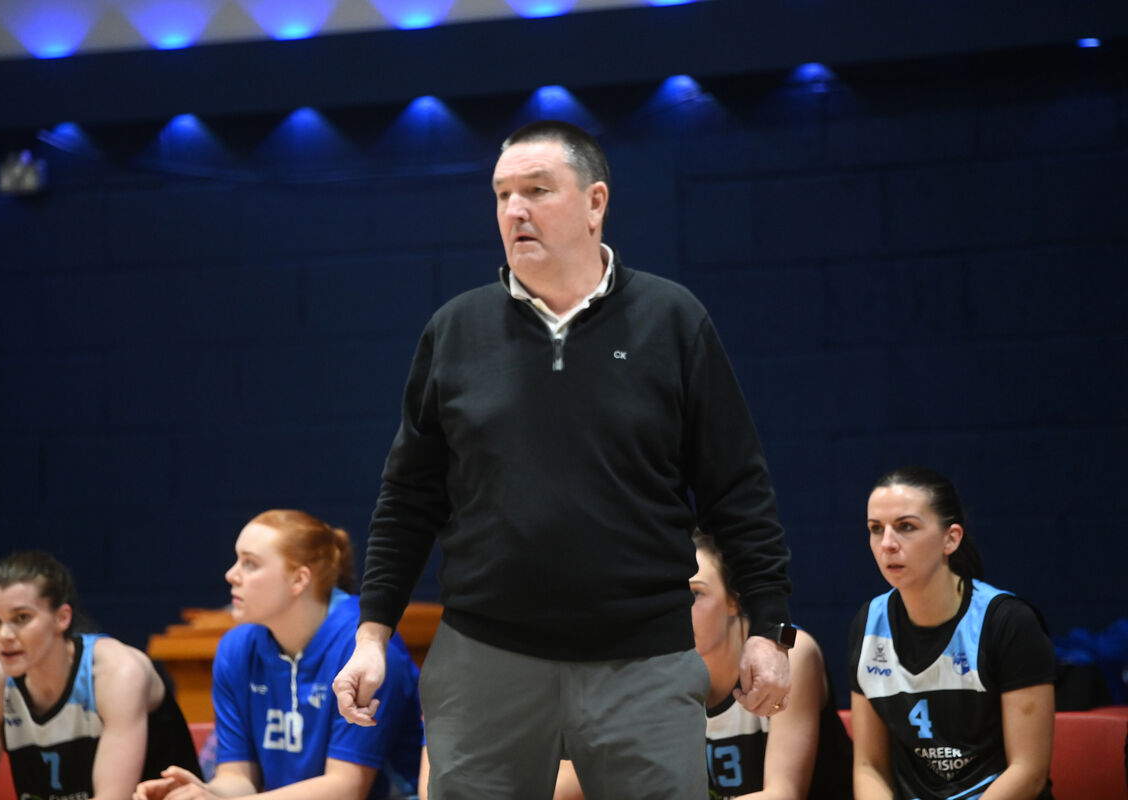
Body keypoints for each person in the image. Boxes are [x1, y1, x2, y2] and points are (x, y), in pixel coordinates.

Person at [333, 119, 794, 799]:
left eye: (537, 190)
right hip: (486, 658)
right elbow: (408, 500)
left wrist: (768, 628)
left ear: (595, 203)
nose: (514, 210)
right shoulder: (455, 330)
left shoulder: (672, 319)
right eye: (502, 195)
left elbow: (738, 490)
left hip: (644, 659)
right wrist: (373, 633)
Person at [134, 509, 421, 800]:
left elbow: (346, 789)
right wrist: (201, 792)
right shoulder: (237, 648)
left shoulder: (365, 648)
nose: (231, 575)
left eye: (250, 564)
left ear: (299, 580)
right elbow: (238, 778)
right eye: (237, 561)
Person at [551, 531, 853, 800]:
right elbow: (573, 779)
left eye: (696, 594)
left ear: (734, 600)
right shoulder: (653, 669)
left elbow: (783, 794)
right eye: (670, 595)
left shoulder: (785, 654)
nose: (680, 610)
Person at [850, 466, 1055, 800]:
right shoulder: (868, 623)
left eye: (906, 527)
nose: (887, 544)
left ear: (951, 538)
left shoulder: (1008, 622)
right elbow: (869, 766)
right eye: (876, 529)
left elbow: (1028, 771)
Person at [0, 550, 200, 800]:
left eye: (21, 618)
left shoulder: (118, 673)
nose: (4, 636)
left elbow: (113, 797)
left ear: (62, 617)